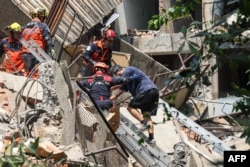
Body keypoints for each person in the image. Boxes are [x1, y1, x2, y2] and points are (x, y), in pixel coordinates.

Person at [110, 65, 159, 144]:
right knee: (147, 115)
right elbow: (118, 93)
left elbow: (120, 80)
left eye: (117, 74)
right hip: (154, 92)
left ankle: (143, 123)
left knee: (130, 107)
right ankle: (151, 138)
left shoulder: (129, 69)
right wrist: (108, 99)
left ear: (119, 70)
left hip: (146, 91)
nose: (119, 76)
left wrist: (108, 80)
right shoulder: (127, 81)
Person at [21, 7, 55, 76]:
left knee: (25, 74)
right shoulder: (43, 26)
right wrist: (51, 49)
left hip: (24, 54)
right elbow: (47, 38)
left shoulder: (25, 27)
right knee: (34, 76)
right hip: (36, 55)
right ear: (42, 17)